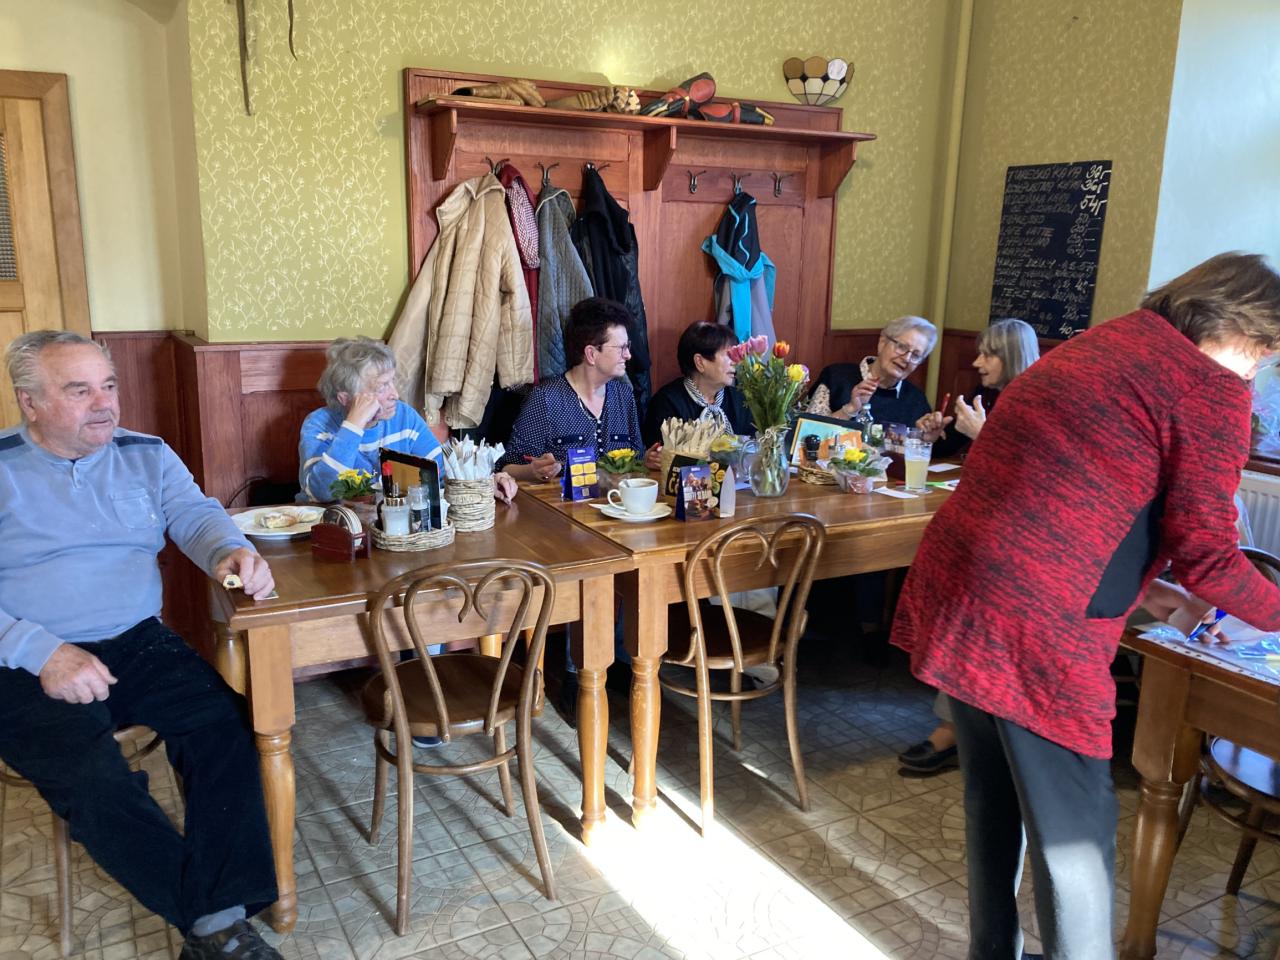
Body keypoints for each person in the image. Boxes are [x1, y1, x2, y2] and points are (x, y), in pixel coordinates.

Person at [892, 252, 1280, 959]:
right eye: (1265, 352)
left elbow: (1073, 499)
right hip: (1036, 622)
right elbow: (1210, 555)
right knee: (1075, 838)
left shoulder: (1105, 342)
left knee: (993, 800)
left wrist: (1160, 596)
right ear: (1243, 329)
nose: (1260, 370)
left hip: (965, 588)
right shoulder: (1209, 387)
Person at [0, 330, 283, 959]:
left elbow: (196, 515)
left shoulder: (146, 454)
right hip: (24, 658)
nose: (105, 403)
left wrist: (229, 550)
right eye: (80, 391)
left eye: (109, 385)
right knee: (91, 776)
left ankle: (214, 922)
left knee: (229, 730)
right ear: (30, 401)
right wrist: (42, 651)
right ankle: (217, 926)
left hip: (137, 639)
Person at [898, 317, 1041, 775]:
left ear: (1011, 356)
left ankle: (955, 730)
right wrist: (933, 432)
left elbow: (1033, 478)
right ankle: (960, 718)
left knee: (971, 611)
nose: (977, 362)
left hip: (1022, 548)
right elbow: (945, 450)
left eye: (988, 354)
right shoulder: (989, 397)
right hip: (979, 526)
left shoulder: (1036, 404)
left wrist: (984, 435)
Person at [298, 336, 516, 503]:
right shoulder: (318, 425)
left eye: (392, 381)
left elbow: (442, 472)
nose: (394, 394)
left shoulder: (404, 417)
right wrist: (354, 425)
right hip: (334, 532)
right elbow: (322, 492)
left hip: (393, 528)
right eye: (382, 386)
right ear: (345, 398)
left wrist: (486, 482)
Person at [500, 297, 654, 480]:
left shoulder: (624, 395)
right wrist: (532, 471)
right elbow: (507, 467)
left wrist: (647, 460)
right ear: (591, 354)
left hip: (618, 498)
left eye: (627, 347)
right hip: (561, 499)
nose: (628, 355)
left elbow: (636, 457)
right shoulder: (545, 399)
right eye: (621, 348)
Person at [805, 315, 937, 427]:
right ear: (882, 343)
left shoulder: (916, 399)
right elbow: (808, 432)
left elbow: (928, 443)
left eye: (916, 355)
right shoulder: (835, 377)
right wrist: (850, 409)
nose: (907, 358)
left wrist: (926, 437)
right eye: (902, 347)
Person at [641, 321, 755, 451]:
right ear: (700, 362)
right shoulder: (667, 403)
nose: (736, 362)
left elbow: (753, 447)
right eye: (729, 355)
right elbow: (661, 455)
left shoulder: (740, 399)